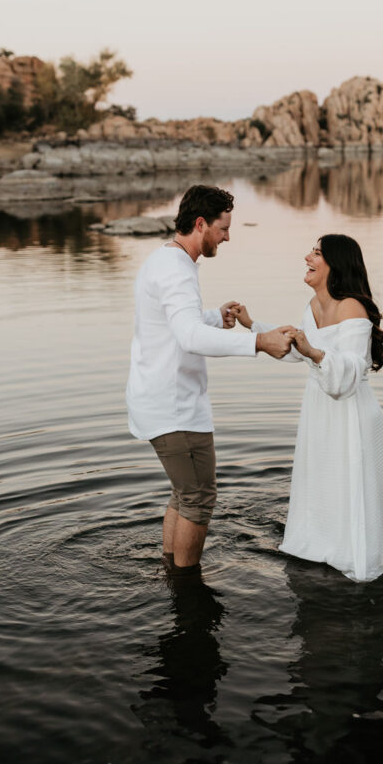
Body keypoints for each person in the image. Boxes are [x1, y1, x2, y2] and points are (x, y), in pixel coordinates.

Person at [126, 184, 293, 575]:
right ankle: (187, 591)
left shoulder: (164, 260)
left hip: (158, 400)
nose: (227, 237)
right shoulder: (178, 270)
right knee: (199, 498)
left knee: (184, 495)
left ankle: (170, 571)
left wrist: (215, 317)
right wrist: (259, 342)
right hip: (176, 408)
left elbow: (177, 323)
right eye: (223, 228)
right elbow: (187, 337)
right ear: (200, 224)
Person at [235, 234, 383, 582]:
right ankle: (320, 543)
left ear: (335, 264)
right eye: (311, 250)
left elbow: (352, 370)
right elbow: (298, 348)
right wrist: (253, 326)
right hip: (319, 408)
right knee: (322, 476)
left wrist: (313, 352)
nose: (307, 257)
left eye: (317, 253)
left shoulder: (352, 307)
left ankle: (356, 552)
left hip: (350, 412)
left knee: (350, 480)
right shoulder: (313, 307)